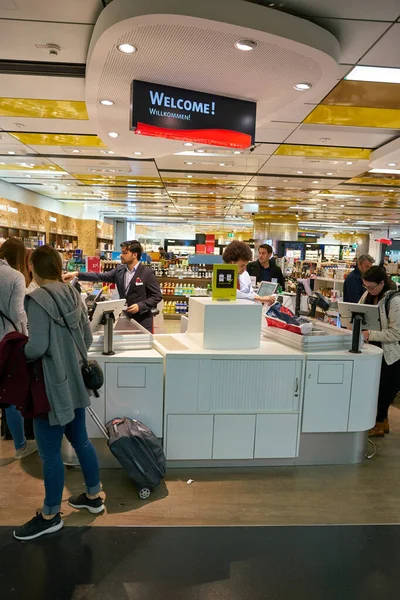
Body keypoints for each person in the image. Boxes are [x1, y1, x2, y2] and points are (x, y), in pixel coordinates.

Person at [13, 245, 104, 541]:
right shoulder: (72, 293)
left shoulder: (37, 299)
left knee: (50, 452)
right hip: (76, 380)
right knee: (80, 440)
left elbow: (37, 347)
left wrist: (17, 354)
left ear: (33, 267)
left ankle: (50, 514)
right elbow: (87, 336)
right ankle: (94, 496)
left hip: (51, 385)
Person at [63, 240, 162, 332]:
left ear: (134, 255)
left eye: (124, 253)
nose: (121, 255)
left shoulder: (147, 273)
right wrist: (76, 274)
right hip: (124, 318)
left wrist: (140, 306)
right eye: (121, 252)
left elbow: (157, 296)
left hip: (142, 321)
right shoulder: (120, 270)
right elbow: (99, 276)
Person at [0, 239, 37, 460]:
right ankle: (20, 446)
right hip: (8, 341)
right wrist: (27, 335)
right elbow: (17, 313)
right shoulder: (15, 276)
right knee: (11, 392)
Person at [360, 266, 400, 437]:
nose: (368, 290)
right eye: (366, 287)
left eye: (371, 287)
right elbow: (359, 310)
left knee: (385, 390)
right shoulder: (368, 295)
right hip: (374, 350)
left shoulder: (395, 301)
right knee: (376, 389)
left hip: (392, 354)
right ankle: (382, 422)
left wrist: (370, 334)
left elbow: (396, 333)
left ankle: (379, 424)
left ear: (382, 283)